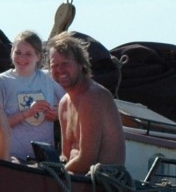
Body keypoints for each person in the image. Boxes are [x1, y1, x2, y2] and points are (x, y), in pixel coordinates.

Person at [47, 34, 125, 175]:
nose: (59, 70)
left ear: (81, 64)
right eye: (54, 65)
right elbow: (65, 154)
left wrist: (56, 175)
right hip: (74, 180)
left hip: (100, 183)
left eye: (65, 63)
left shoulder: (92, 96)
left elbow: (87, 159)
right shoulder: (64, 103)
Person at [0, 30, 66, 162]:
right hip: (11, 158)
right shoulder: (1, 81)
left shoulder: (49, 79)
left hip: (45, 158)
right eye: (18, 52)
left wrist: (57, 114)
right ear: (11, 52)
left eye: (28, 54)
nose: (22, 58)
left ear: (38, 57)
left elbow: (71, 108)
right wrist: (27, 113)